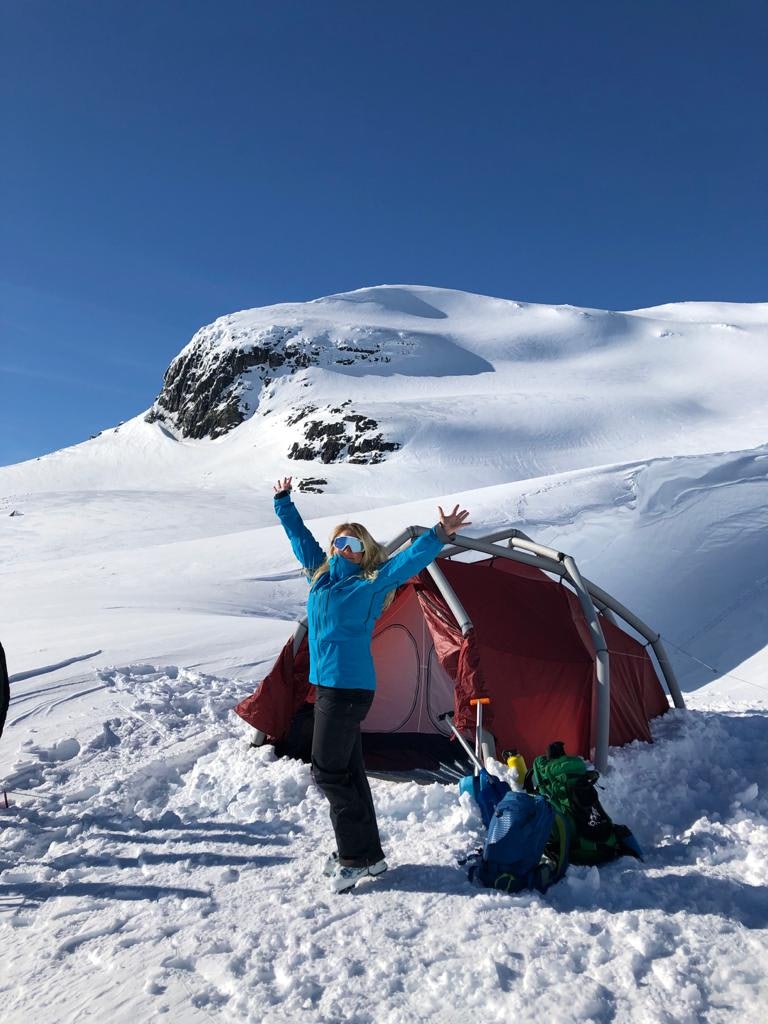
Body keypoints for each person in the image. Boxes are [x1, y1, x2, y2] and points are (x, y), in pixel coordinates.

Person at [273, 476, 471, 893]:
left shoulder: (368, 582)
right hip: (329, 688)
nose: (344, 549)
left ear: (365, 553)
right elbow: (299, 537)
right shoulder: (320, 577)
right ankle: (368, 856)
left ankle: (353, 858)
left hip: (347, 691)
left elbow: (405, 563)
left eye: (354, 545)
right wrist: (283, 501)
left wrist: (437, 535)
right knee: (349, 771)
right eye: (340, 543)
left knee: (328, 772)